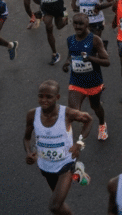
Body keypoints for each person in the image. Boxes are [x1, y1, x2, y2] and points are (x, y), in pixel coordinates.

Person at [24, 80, 94, 215]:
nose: (44, 100)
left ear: (57, 98)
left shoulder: (67, 113)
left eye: (48, 97)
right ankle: (78, 172)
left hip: (65, 164)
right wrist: (28, 152)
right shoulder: (32, 115)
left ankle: (74, 169)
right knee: (58, 203)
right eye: (40, 96)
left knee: (54, 206)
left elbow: (89, 120)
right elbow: (26, 138)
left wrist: (79, 144)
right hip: (45, 165)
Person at [62, 13, 111, 141]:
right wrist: (67, 62)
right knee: (72, 112)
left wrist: (90, 58)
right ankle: (69, 140)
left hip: (93, 82)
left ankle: (102, 124)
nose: (78, 26)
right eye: (75, 23)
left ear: (87, 24)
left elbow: (107, 61)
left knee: (95, 107)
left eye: (81, 23)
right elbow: (70, 55)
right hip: (76, 82)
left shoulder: (95, 40)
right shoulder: (70, 40)